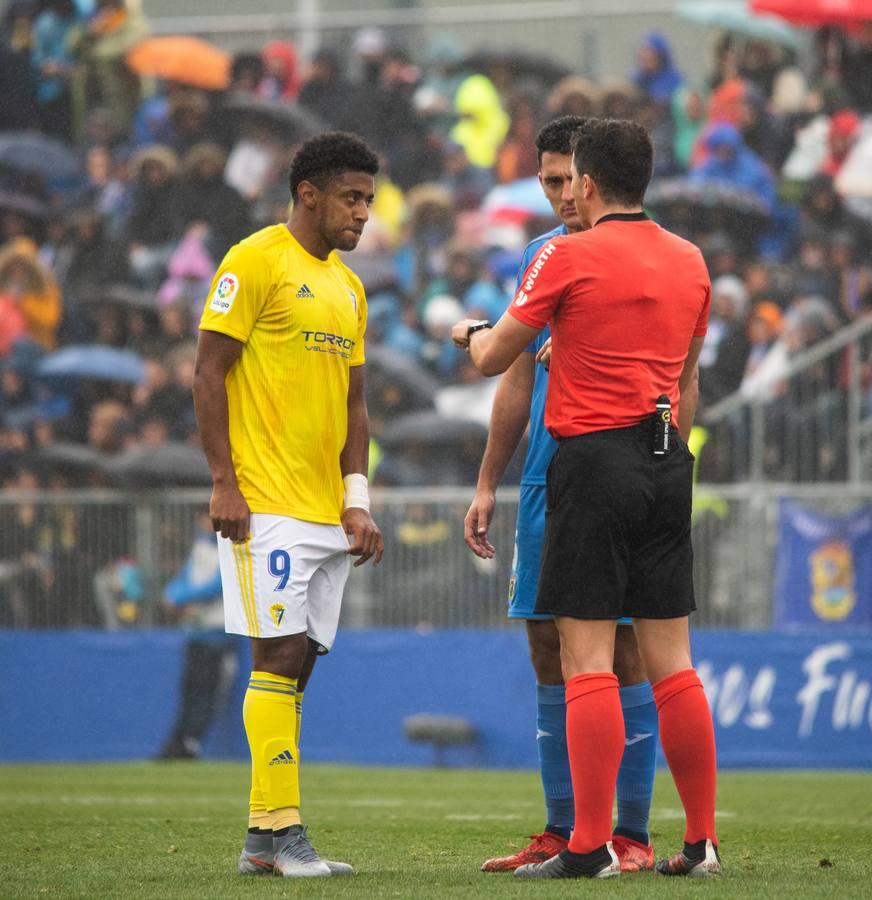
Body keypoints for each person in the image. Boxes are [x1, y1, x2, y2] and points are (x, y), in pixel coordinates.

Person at [452, 118, 719, 879]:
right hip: (667, 458)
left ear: (590, 182)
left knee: (588, 657)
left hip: (592, 460)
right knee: (674, 663)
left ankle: (588, 844)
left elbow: (495, 358)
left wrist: (466, 332)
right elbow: (686, 375)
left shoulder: (567, 254)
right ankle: (698, 844)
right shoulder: (692, 260)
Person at [193, 131, 384, 879]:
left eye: (368, 200)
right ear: (309, 192)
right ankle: (285, 834)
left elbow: (356, 406)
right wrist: (223, 480)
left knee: (296, 667)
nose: (363, 213)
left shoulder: (350, 288)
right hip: (263, 502)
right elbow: (209, 373)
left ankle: (261, 844)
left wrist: (357, 501)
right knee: (274, 657)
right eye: (352, 197)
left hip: (325, 513)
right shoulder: (254, 259)